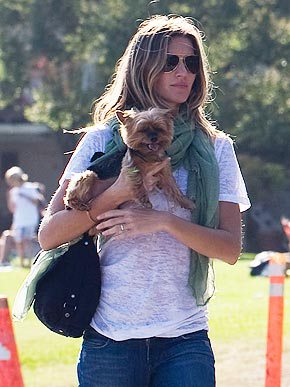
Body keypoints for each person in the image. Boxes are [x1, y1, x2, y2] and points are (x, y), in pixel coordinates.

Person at [38, 15, 250, 387]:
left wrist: (166, 221)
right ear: (143, 66)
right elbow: (49, 235)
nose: (184, 72)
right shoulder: (102, 140)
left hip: (185, 338)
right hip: (110, 337)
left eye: (191, 63)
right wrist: (117, 191)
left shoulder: (216, 149)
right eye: (171, 61)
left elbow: (231, 248)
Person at [4, 166, 44, 267]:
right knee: (19, 241)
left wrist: (25, 196)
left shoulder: (30, 188)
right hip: (19, 220)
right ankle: (21, 263)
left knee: (28, 240)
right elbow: (12, 208)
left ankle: (29, 262)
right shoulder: (13, 192)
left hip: (30, 219)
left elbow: (36, 202)